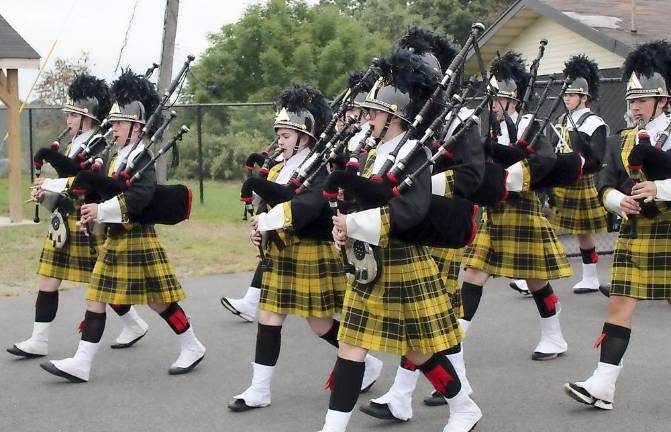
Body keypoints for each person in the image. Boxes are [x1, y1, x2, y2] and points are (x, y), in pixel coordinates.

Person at [319, 49, 480, 432]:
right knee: (350, 347)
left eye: (374, 112)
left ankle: (463, 407)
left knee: (420, 350)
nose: (367, 117)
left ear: (395, 117)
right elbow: (359, 202)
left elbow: (411, 212)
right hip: (371, 265)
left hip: (405, 263)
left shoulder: (415, 154)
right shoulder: (374, 153)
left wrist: (355, 224)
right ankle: (333, 427)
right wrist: (341, 227)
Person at [40, 70, 205, 382]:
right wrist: (91, 207)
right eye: (113, 122)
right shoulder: (119, 158)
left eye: (118, 123)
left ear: (136, 127)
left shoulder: (141, 158)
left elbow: (139, 198)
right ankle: (81, 363)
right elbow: (107, 189)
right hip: (115, 239)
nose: (112, 127)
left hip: (137, 238)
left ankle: (192, 344)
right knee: (96, 297)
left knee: (160, 301)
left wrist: (100, 210)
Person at [228, 84, 382, 413]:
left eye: (285, 135)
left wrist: (270, 221)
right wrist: (259, 229)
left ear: (305, 137)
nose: (279, 141)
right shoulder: (279, 166)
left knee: (319, 321)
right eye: (279, 134)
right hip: (282, 252)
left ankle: (366, 362)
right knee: (269, 317)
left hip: (311, 248)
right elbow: (266, 202)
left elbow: (309, 205)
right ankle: (259, 389)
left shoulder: (318, 165)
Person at [8, 73, 148, 359]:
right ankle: (39, 339)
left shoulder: (100, 145)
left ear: (89, 119)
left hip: (87, 220)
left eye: (74, 115)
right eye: (69, 115)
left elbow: (80, 180)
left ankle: (134, 323)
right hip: (64, 218)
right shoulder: (73, 144)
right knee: (49, 277)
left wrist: (52, 184)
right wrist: (45, 195)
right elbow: (64, 187)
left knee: (102, 282)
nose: (68, 120)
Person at [564, 40, 671, 410]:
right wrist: (617, 201)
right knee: (620, 305)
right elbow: (604, 184)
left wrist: (660, 188)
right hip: (636, 232)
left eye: (642, 100)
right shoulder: (620, 140)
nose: (635, 106)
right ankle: (603, 384)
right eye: (631, 100)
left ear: (664, 100)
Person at [461, 51, 572, 362]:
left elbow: (545, 161)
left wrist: (508, 170)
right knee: (473, 275)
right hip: (494, 211)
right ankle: (454, 344)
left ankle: (554, 334)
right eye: (492, 100)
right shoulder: (489, 128)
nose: (493, 106)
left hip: (524, 208)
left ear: (514, 100)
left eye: (499, 101)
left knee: (536, 279)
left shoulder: (534, 124)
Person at [549, 54, 610, 294]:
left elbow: (597, 159)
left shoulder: (594, 122)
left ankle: (590, 276)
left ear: (584, 97)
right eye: (565, 94)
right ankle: (530, 276)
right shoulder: (561, 119)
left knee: (583, 233)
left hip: (579, 180)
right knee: (545, 227)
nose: (567, 99)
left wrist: (581, 160)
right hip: (558, 178)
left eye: (572, 95)